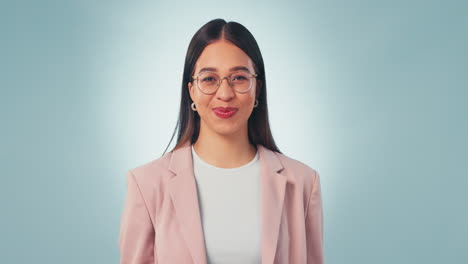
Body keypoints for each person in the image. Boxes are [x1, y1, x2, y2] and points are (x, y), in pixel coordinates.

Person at [118, 18, 324, 264]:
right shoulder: (147, 185)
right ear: (191, 90)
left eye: (238, 77)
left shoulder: (302, 182)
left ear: (257, 88)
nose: (225, 94)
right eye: (209, 79)